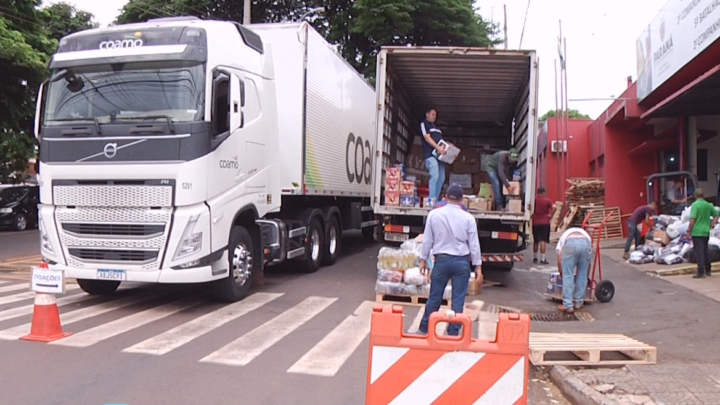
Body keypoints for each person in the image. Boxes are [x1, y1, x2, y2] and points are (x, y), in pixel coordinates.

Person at [417, 183, 482, 336]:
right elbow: (474, 245)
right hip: (462, 263)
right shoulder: (468, 218)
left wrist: (423, 259)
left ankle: (424, 329)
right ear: (462, 199)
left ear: (445, 197)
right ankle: (453, 332)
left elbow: (427, 240)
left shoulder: (434, 215)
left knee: (435, 297)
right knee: (458, 300)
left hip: (442, 262)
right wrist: (478, 267)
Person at [556, 227, 592, 313]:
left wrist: (561, 273)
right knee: (582, 274)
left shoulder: (564, 236)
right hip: (586, 244)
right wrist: (587, 276)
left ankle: (568, 305)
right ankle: (578, 302)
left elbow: (559, 258)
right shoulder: (585, 234)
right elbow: (588, 264)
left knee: (568, 275)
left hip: (570, 244)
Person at [688, 188, 719, 279]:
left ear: (695, 196)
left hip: (697, 232)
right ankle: (708, 270)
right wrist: (711, 225)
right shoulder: (708, 205)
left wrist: (689, 231)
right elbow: (716, 215)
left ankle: (701, 272)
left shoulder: (695, 205)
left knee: (699, 252)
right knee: (705, 251)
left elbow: (693, 219)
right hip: (705, 232)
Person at [420, 108, 446, 203]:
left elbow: (442, 142)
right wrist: (438, 148)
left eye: (435, 115)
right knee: (434, 175)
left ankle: (436, 198)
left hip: (440, 156)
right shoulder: (424, 124)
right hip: (430, 154)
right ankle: (431, 199)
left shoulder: (437, 129)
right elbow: (427, 138)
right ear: (427, 114)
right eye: (432, 114)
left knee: (442, 177)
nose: (434, 116)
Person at [533, 187, 556, 264]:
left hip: (535, 222)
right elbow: (554, 207)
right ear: (543, 193)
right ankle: (543, 259)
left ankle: (535, 257)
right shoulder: (547, 200)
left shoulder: (534, 200)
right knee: (543, 240)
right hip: (545, 222)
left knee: (536, 241)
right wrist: (551, 216)